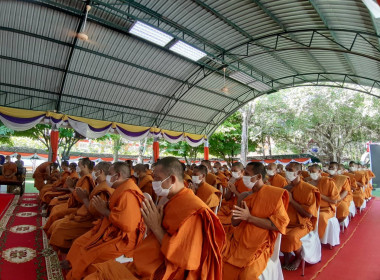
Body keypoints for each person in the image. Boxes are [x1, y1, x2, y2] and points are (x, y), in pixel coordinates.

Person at [83, 157, 225, 280]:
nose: (153, 182)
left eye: (157, 178)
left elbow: (185, 258)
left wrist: (155, 227)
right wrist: (152, 227)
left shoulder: (193, 210)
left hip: (164, 272)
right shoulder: (171, 199)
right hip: (147, 261)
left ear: (172, 179)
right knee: (98, 270)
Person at [62, 161, 146, 280]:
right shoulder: (122, 188)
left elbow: (128, 226)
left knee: (90, 253)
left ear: (117, 176)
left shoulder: (128, 194)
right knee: (80, 242)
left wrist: (105, 211)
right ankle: (72, 263)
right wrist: (106, 207)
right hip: (109, 228)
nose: (107, 176)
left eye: (109, 173)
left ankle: (79, 273)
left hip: (122, 239)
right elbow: (118, 210)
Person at [222, 162, 290, 279]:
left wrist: (249, 218)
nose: (244, 177)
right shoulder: (243, 196)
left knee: (247, 275)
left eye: (247, 174)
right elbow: (234, 223)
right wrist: (239, 216)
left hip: (260, 243)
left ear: (259, 177)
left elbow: (279, 224)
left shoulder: (273, 194)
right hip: (238, 240)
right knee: (219, 263)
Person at [48, 162, 114, 251]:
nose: (92, 173)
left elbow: (96, 213)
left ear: (100, 172)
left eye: (94, 171)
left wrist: (83, 198)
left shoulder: (103, 188)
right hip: (83, 211)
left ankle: (64, 249)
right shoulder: (99, 184)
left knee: (59, 228)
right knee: (57, 223)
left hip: (91, 219)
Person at [281, 162, 320, 271]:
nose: (287, 172)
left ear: (298, 172)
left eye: (290, 170)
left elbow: (308, 214)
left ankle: (299, 257)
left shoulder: (308, 189)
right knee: (275, 232)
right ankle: (286, 253)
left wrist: (292, 200)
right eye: (286, 169)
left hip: (302, 224)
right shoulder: (286, 188)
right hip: (287, 222)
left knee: (292, 237)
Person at [43, 158, 95, 235]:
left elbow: (81, 198)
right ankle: (49, 225)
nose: (77, 167)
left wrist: (71, 188)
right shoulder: (84, 178)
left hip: (80, 207)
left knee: (56, 211)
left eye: (79, 165)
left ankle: (51, 230)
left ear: (84, 166)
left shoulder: (87, 179)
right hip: (74, 201)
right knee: (55, 207)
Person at [308, 164, 340, 238]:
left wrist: (320, 195)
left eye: (313, 171)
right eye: (309, 172)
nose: (311, 173)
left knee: (321, 217)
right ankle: (307, 236)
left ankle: (317, 237)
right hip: (311, 209)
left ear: (320, 171)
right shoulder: (309, 184)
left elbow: (334, 201)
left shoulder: (329, 182)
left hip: (326, 209)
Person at [217, 162, 249, 234]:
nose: (233, 173)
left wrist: (234, 191)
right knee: (216, 218)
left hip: (239, 208)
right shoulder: (234, 181)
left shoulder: (246, 183)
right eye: (232, 171)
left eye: (235, 171)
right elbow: (227, 198)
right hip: (230, 207)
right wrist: (229, 188)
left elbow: (246, 200)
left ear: (242, 171)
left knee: (225, 225)